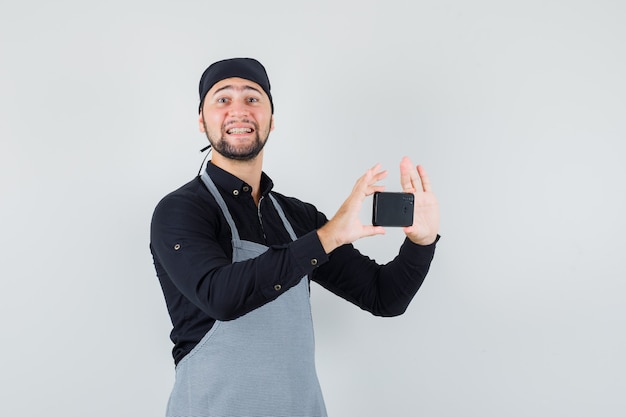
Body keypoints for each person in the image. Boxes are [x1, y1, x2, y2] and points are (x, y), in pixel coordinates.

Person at [150, 57, 440, 417]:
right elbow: (220, 297)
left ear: (272, 120)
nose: (238, 110)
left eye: (253, 99)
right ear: (201, 120)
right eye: (222, 99)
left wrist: (421, 243)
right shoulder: (181, 211)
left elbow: (384, 297)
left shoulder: (296, 217)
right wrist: (325, 238)